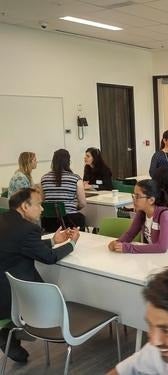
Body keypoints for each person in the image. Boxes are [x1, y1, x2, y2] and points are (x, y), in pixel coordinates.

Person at [0, 188, 79, 363]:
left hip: (3, 287)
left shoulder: (5, 220)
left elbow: (20, 244)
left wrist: (53, 241)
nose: (42, 209)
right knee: (53, 291)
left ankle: (9, 334)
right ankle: (11, 331)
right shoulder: (28, 229)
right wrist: (72, 244)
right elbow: (49, 258)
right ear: (25, 206)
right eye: (38, 204)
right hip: (13, 297)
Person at [108, 179, 168, 253]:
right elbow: (130, 234)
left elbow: (162, 247)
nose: (134, 199)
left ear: (151, 200)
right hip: (157, 257)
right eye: (133, 196)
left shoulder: (165, 216)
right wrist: (117, 243)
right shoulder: (142, 213)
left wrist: (128, 248)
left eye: (138, 196)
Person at [40, 149, 86, 232]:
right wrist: (74, 207)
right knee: (81, 218)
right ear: (68, 162)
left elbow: (42, 201)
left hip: (48, 221)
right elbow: (82, 203)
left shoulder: (44, 179)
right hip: (70, 220)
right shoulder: (76, 178)